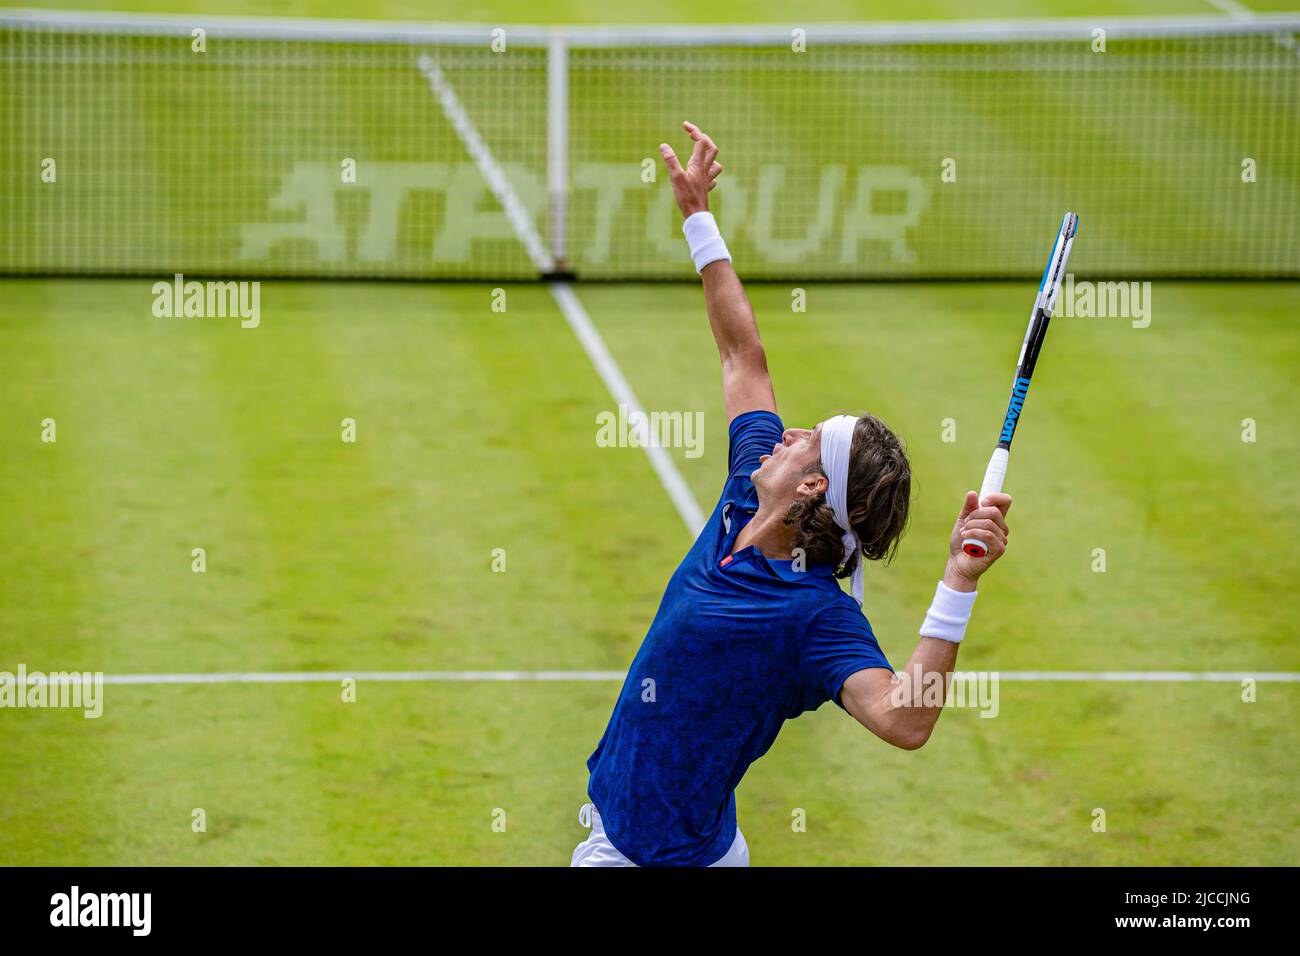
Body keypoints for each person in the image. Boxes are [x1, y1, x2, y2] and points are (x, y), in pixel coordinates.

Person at [571, 122, 1013, 867]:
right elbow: (743, 353)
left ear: (811, 485)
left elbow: (906, 722)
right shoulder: (749, 489)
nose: (790, 428)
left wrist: (958, 581)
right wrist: (699, 221)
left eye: (810, 437)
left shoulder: (812, 617)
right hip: (672, 838)